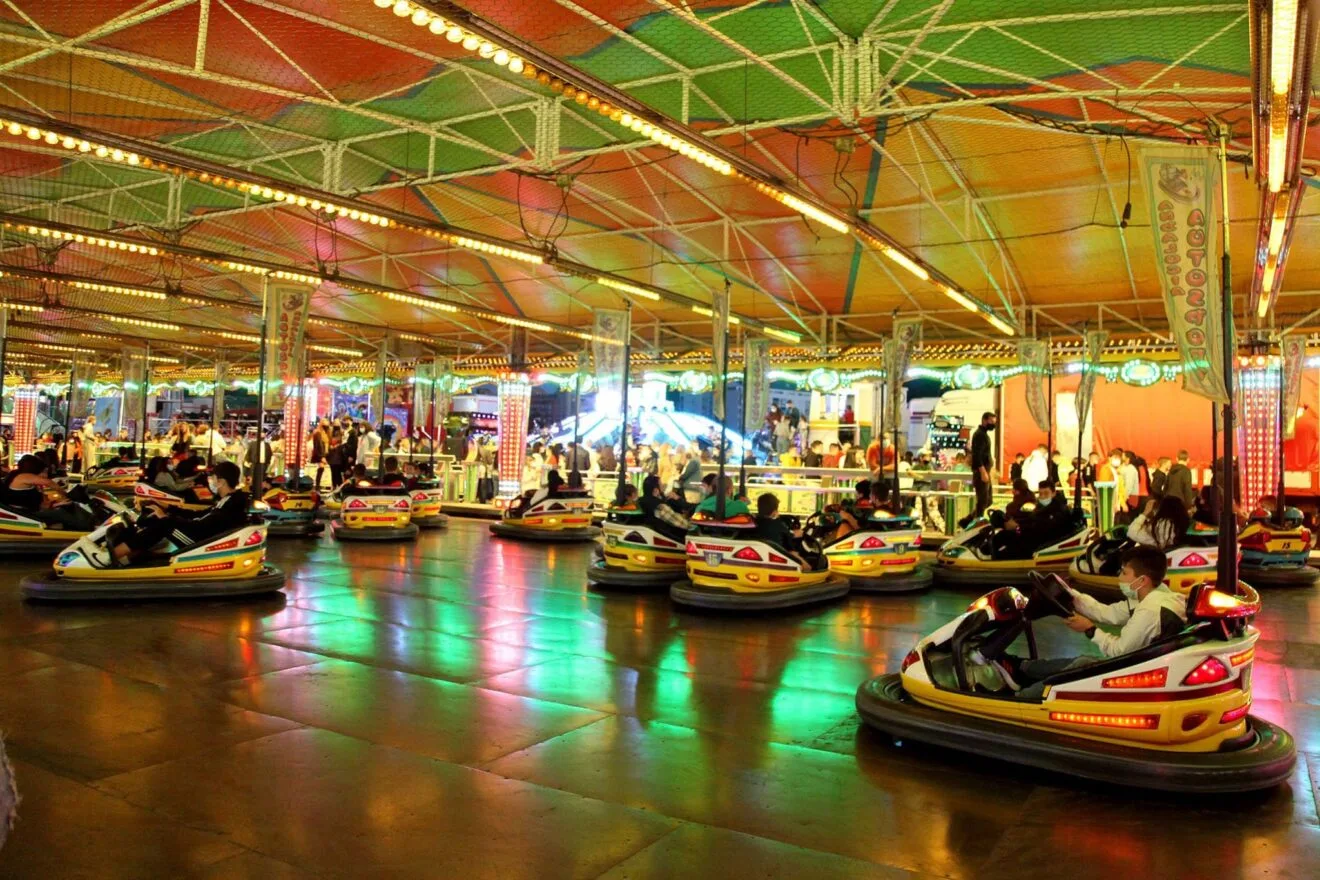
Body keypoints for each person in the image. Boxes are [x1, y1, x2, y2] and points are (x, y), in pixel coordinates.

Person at [993, 546, 1186, 698]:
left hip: (1139, 675)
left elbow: (1118, 651)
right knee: (1083, 661)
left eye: (1125, 573)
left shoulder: (1150, 611)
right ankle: (1021, 668)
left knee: (1081, 669)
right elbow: (1107, 613)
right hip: (1143, 665)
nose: (1119, 577)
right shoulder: (1156, 594)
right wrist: (1069, 594)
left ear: (1142, 580)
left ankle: (1019, 698)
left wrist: (1090, 630)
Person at [108, 461, 251, 566]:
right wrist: (167, 507)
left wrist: (167, 517)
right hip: (202, 534)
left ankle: (110, 556)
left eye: (213, 478)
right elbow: (198, 514)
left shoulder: (232, 504)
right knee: (155, 521)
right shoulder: (228, 500)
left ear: (221, 482)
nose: (211, 481)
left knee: (164, 525)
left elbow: (201, 524)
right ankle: (126, 558)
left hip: (201, 542)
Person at [753, 493, 806, 567]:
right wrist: (800, 532)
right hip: (777, 557)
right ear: (774, 511)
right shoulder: (777, 524)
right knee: (795, 554)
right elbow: (793, 535)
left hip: (759, 555)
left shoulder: (754, 522)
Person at [638, 474, 690, 539]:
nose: (663, 487)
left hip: (654, 535)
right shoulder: (661, 507)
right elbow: (686, 525)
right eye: (661, 485)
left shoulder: (640, 501)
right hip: (672, 538)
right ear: (656, 490)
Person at [969, 411, 996, 519]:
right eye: (991, 421)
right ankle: (974, 523)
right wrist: (983, 472)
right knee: (983, 501)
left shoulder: (983, 434)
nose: (993, 424)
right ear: (984, 420)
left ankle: (967, 521)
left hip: (985, 471)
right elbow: (977, 455)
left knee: (987, 500)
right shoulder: (980, 435)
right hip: (982, 472)